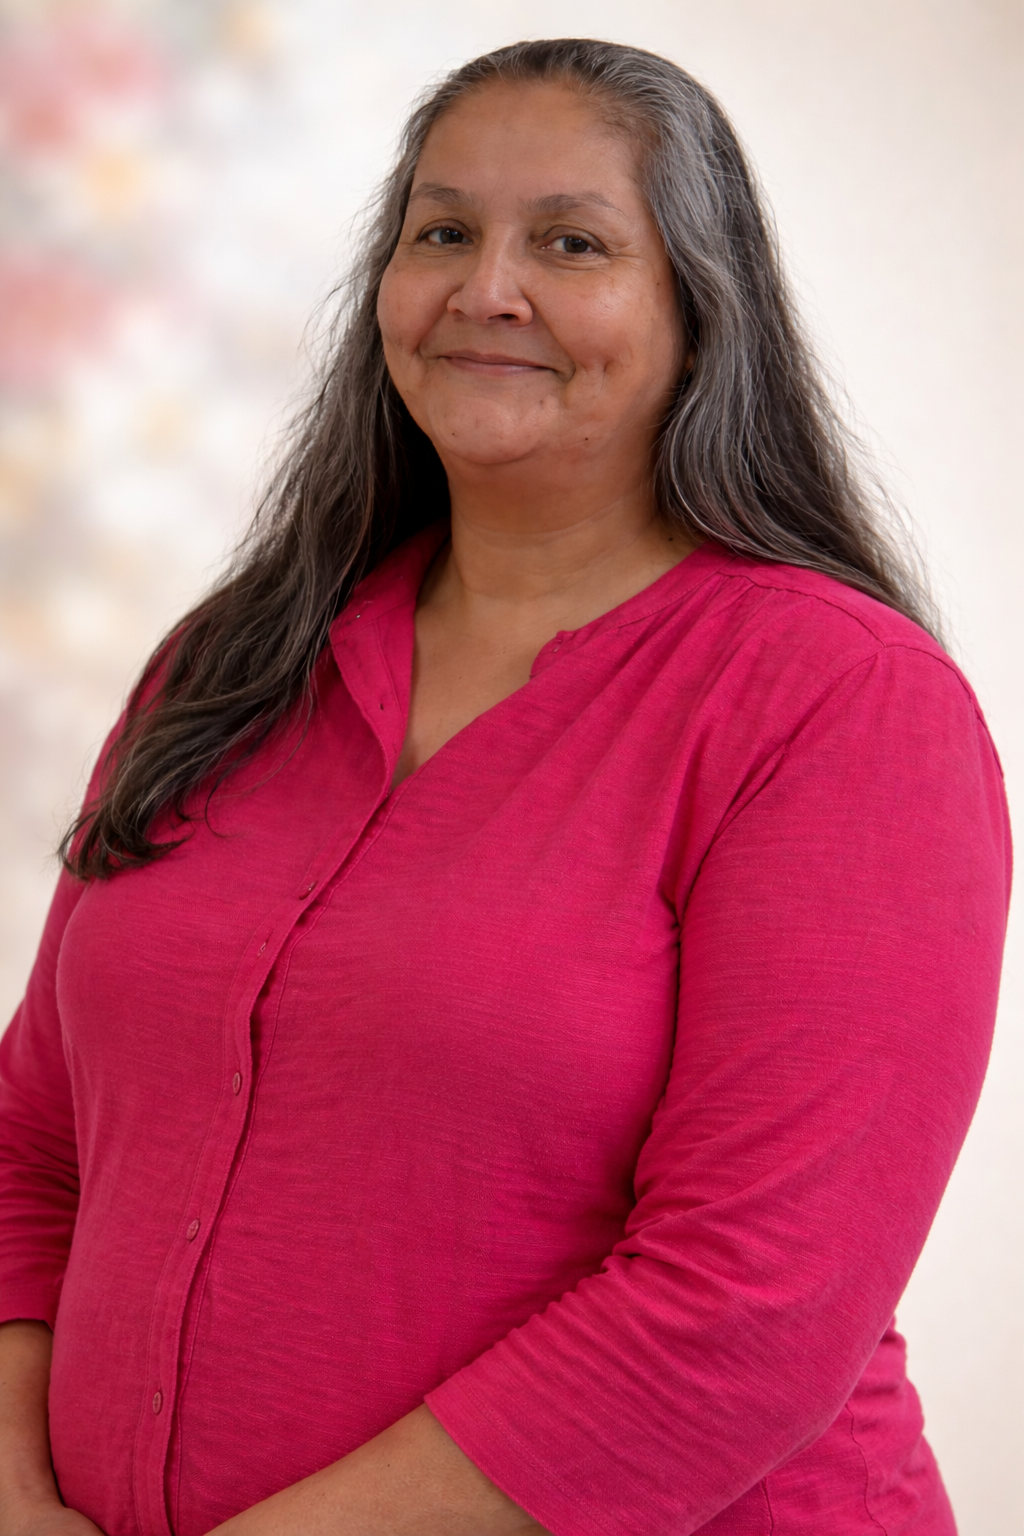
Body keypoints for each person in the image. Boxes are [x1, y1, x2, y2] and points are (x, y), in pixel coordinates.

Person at [0, 36, 1010, 1536]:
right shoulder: (229, 663)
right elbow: (36, 1145)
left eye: (573, 243)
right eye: (442, 232)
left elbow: (749, 1306)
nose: (488, 289)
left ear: (700, 310)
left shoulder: (838, 704)